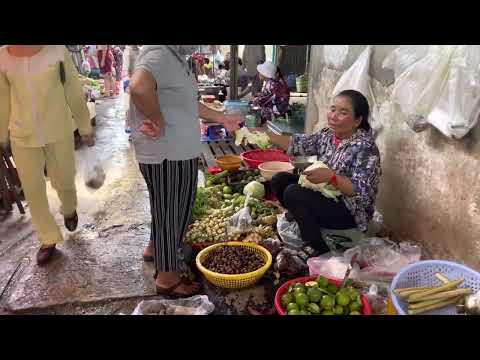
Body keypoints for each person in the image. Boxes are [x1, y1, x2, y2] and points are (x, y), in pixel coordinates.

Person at [128, 45, 242, 296]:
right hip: (171, 152)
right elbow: (138, 87)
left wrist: (222, 118)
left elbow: (187, 103)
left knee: (164, 206)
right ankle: (168, 278)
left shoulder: (174, 57)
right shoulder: (159, 55)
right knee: (175, 212)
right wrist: (156, 118)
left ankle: (156, 247)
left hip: (171, 152)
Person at [0, 45, 94, 265]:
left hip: (58, 129)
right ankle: (48, 237)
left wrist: (84, 126)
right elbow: (3, 100)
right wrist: (1, 134)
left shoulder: (56, 51)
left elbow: (72, 89)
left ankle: (69, 208)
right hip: (22, 135)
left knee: (64, 180)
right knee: (33, 190)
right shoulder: (3, 57)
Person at [258, 90, 381, 254]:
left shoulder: (365, 148)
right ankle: (306, 222)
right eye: (332, 109)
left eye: (343, 112)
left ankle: (319, 248)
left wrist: (332, 177)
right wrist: (264, 135)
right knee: (279, 180)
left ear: (357, 121)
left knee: (293, 193)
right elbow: (298, 143)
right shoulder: (328, 135)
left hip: (350, 211)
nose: (334, 116)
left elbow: (360, 191)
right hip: (325, 195)